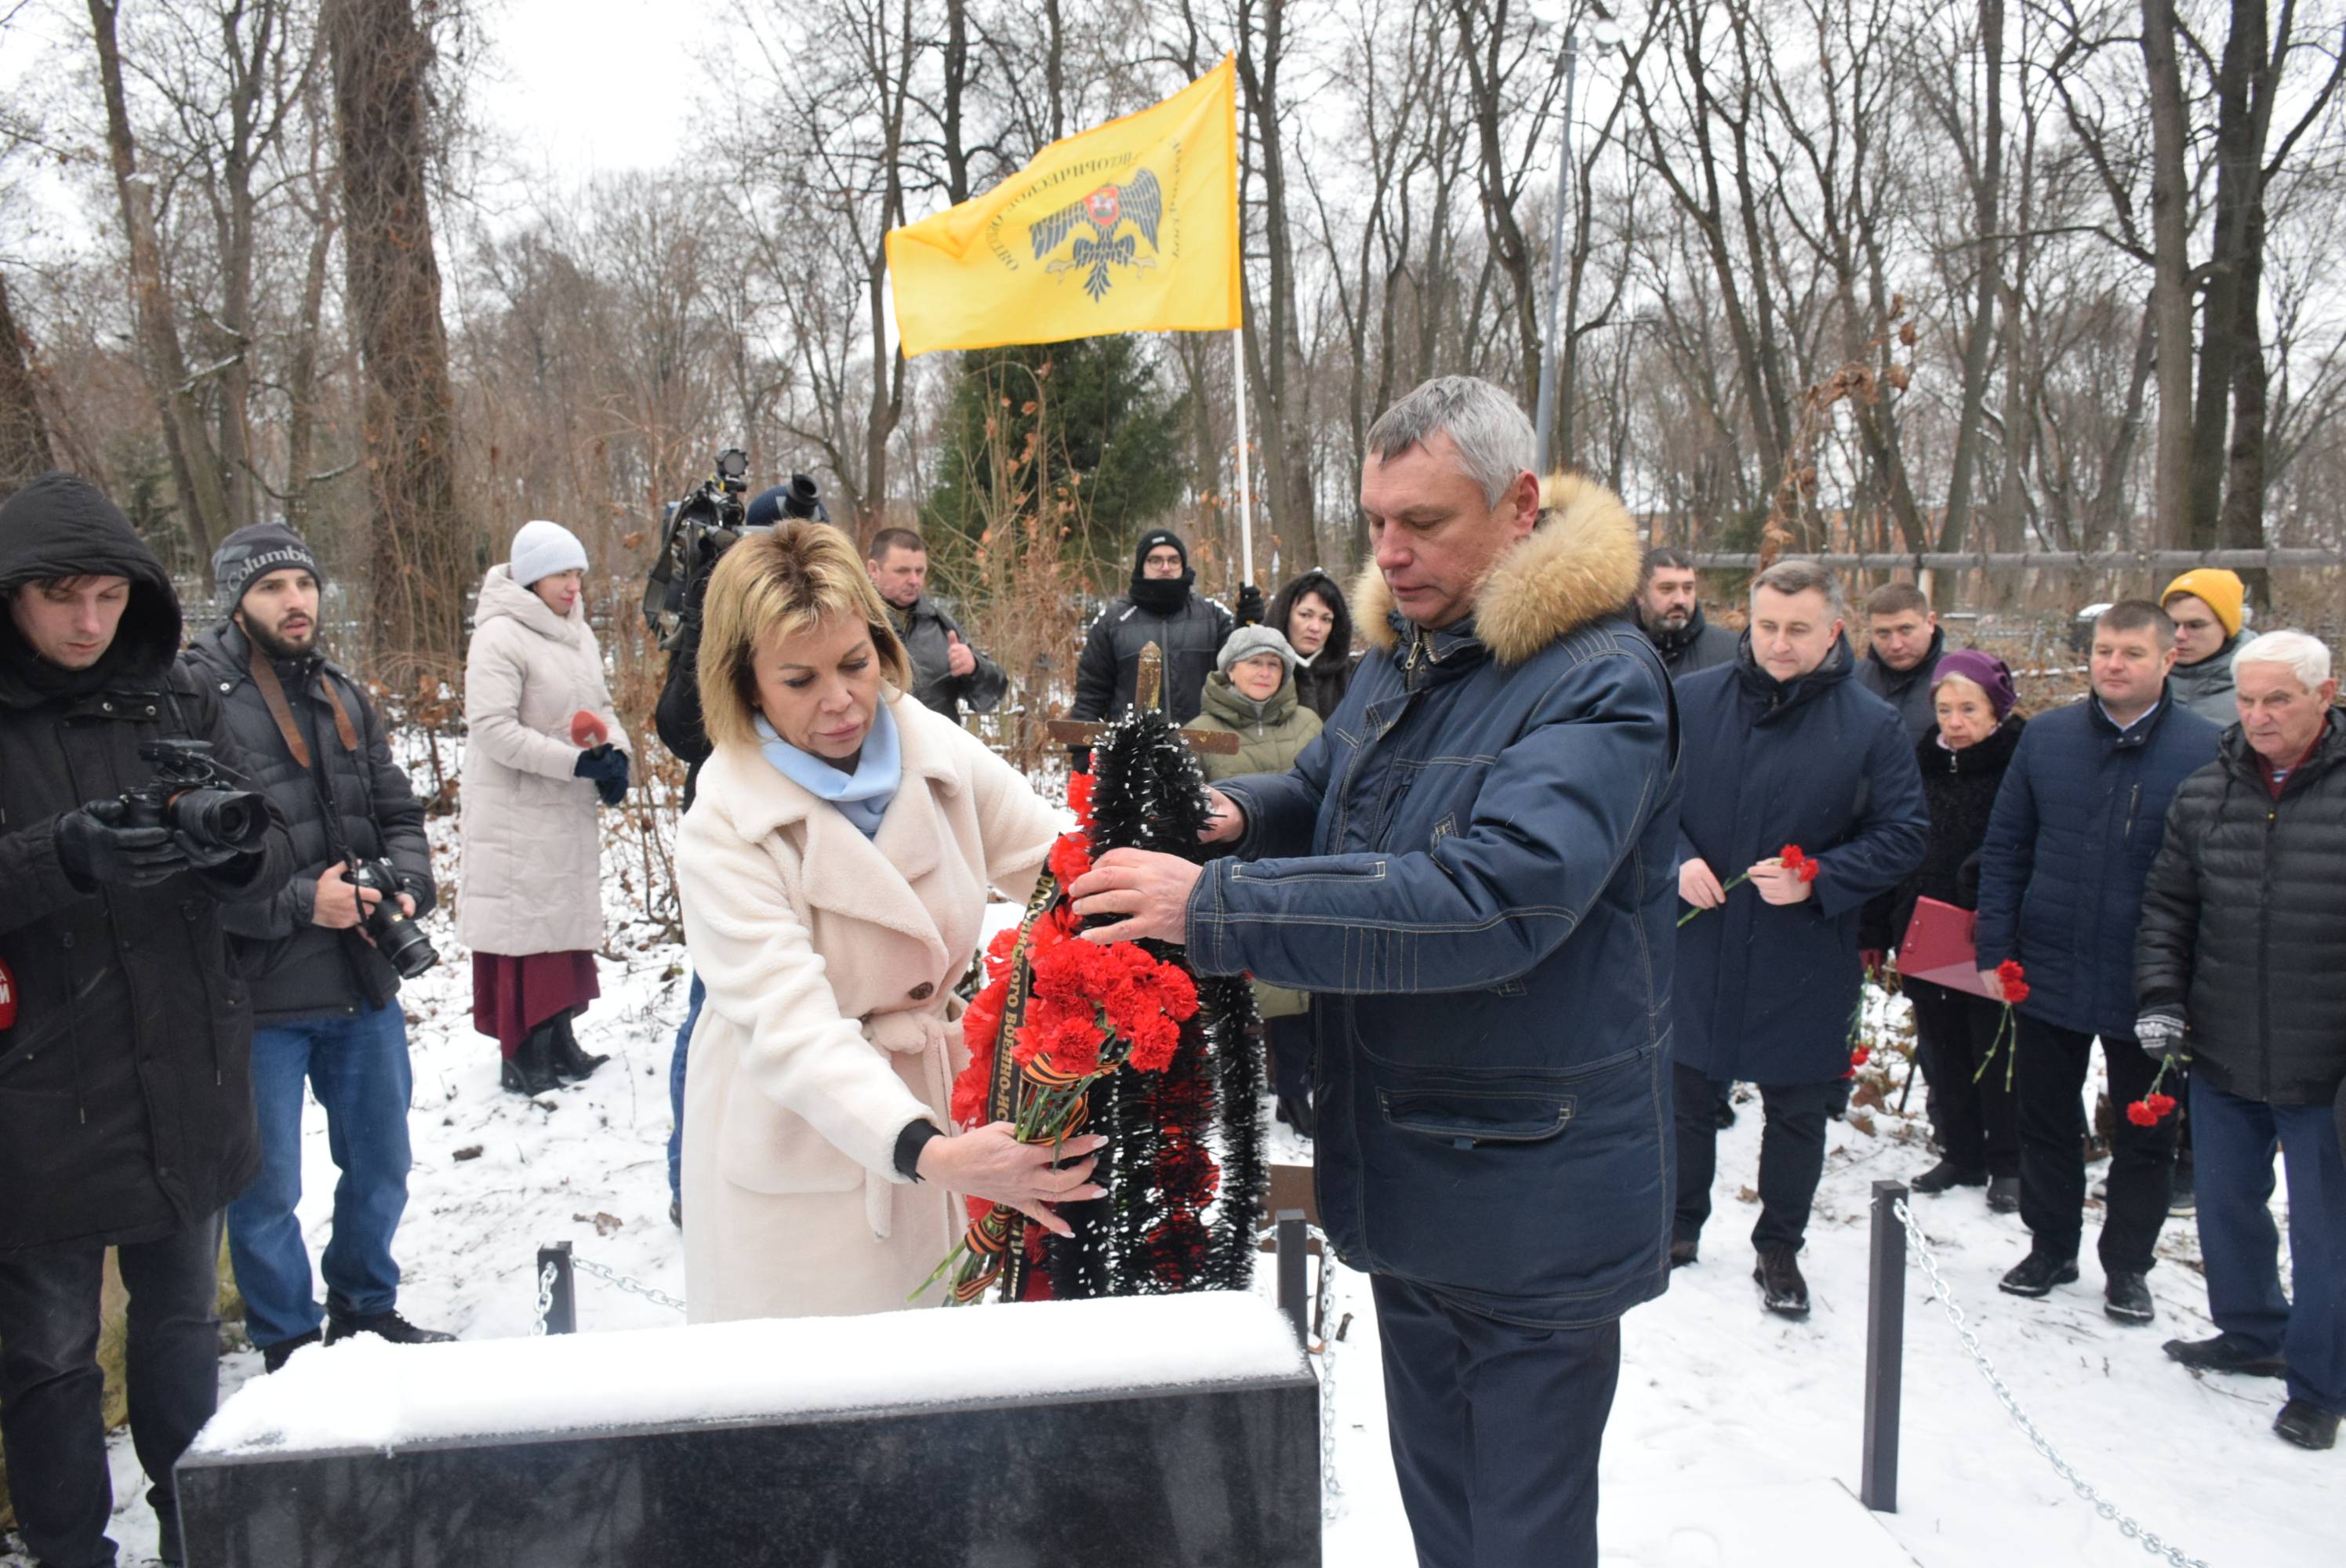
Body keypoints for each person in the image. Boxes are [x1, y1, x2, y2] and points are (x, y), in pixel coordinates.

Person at [1065, 377, 1680, 1568]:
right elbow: (1333, 795)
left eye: (1426, 524)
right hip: (1418, 1165)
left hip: (1526, 1189)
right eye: (1377, 522)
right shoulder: (1419, 655)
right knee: (1447, 1518)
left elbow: (1492, 899)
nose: (1390, 555)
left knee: (1519, 1538)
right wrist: (1232, 815)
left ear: (1516, 507)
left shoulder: (1598, 680)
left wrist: (1218, 907)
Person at [674, 519, 1105, 1320]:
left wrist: (1176, 883)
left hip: (936, 1116)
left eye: (855, 663)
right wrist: (927, 1150)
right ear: (745, 682)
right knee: (816, 1405)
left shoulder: (928, 742)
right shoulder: (725, 819)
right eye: (799, 679)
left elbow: (1057, 865)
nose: (840, 701)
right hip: (805, 1133)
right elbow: (789, 1026)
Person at [0, 473, 292, 1568]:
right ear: (13, 595)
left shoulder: (172, 697)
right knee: (49, 1359)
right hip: (37, 1092)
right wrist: (59, 856)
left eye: (110, 599)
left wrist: (234, 849)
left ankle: (197, 1536)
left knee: (179, 1338)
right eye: (62, 599)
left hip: (184, 1074)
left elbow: (260, 848)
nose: (88, 625)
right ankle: (70, 1552)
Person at [180, 524, 454, 1374]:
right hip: (258, 991)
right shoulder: (193, 694)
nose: (294, 600)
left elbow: (400, 811)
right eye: (270, 588)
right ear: (236, 598)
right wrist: (306, 900)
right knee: (266, 1193)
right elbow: (192, 857)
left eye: (303, 582)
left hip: (362, 978)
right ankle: (289, 1342)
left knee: (382, 1163)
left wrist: (406, 883)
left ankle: (366, 1307)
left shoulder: (343, 689)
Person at [1671, 561, 1929, 1316]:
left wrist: (1823, 876)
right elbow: (1644, 802)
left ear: (1834, 632)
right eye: (1767, 627)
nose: (1779, 645)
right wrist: (1678, 860)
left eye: (1798, 630)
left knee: (1795, 1108)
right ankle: (1680, 1226)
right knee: (1685, 1092)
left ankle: (1779, 1244)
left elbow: (1905, 833)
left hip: (1803, 950)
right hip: (1704, 937)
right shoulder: (1692, 701)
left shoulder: (1872, 724)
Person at [1972, 601, 2221, 1323]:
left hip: (2149, 977)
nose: (2113, 664)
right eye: (2104, 651)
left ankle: (2128, 1266)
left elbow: (2212, 875)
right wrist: (1996, 947)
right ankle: (2051, 1244)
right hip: (2048, 964)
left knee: (2145, 1128)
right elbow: (2008, 846)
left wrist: (2189, 978)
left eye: (2131, 654)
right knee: (2046, 1116)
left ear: (2167, 660)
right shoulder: (2047, 739)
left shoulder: (2205, 749)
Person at [2136, 630, 2346, 1452]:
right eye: (2248, 699)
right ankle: (2251, 1327)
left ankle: (2321, 1378)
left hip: (2324, 1060)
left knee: (2325, 1230)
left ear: (2322, 696)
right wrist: (2159, 993)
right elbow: (2167, 907)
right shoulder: (2206, 790)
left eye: (2278, 700)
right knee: (2225, 1206)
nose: (2257, 715)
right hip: (2222, 1044)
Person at [459, 519, 631, 1097]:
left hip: (563, 811)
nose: (574, 585)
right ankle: (523, 1052)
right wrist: (573, 764)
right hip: (515, 812)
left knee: (559, 930)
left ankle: (560, 1039)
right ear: (533, 578)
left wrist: (617, 760)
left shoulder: (577, 634)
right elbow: (492, 730)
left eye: (579, 574)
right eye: (563, 573)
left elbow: (601, 707)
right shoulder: (500, 635)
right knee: (524, 933)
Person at [1860, 649, 2028, 1213]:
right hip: (1924, 925)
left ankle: (2009, 1159)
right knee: (1943, 1045)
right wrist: (1877, 924)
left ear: (1997, 711)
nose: (1955, 722)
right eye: (1947, 708)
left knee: (1996, 1048)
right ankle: (1961, 1150)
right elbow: (1894, 842)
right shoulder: (1920, 763)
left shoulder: (2019, 763)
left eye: (1970, 709)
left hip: (1989, 931)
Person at [1189, 624, 1324, 1136]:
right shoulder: (1200, 730)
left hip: (1303, 873)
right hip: (1235, 879)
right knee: (1238, 994)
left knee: (1297, 993)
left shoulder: (1310, 723)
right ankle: (1236, 1096)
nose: (1265, 672)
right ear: (1230, 670)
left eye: (1274, 663)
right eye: (1254, 663)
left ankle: (1294, 1091)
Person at [1067, 528, 1234, 732]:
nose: (1166, 567)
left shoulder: (1213, 617)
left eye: (1174, 560)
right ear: (1141, 566)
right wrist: (1083, 754)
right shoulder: (1112, 622)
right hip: (1133, 754)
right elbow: (1090, 695)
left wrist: (1249, 621)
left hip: (1204, 750)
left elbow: (1242, 672)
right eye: (1155, 560)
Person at [866, 525, 1007, 724]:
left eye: (920, 571)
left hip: (936, 750)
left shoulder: (941, 625)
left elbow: (988, 699)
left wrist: (975, 668)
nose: (914, 580)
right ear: (873, 569)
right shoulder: (852, 621)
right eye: (902, 571)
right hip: (873, 750)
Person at [1854, 581, 1946, 741]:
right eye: (1883, 633)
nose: (1896, 645)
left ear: (1930, 622)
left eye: (1905, 630)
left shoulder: (1959, 679)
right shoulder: (1853, 682)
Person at [2160, 567, 2248, 724]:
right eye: (2172, 624)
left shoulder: (2259, 686)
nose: (2179, 636)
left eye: (2195, 625)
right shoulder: (2138, 680)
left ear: (2226, 627)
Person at [1266, 567, 1356, 720]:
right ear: (1284, 614)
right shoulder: (1259, 670)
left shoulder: (1353, 676)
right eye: (1305, 615)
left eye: (1326, 619)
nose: (1315, 628)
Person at [1633, 546, 1736, 677]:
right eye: (1667, 589)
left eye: (1688, 588)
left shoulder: (1729, 652)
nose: (1680, 600)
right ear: (1640, 594)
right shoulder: (1617, 650)